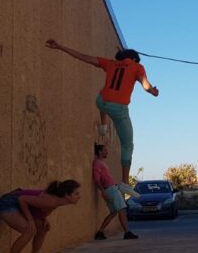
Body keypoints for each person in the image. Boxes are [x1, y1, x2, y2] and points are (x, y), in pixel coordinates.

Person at [45, 39, 159, 184]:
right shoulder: (138, 67)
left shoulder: (111, 64)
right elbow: (147, 87)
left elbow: (83, 57)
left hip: (101, 101)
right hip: (118, 108)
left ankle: (103, 126)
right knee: (127, 145)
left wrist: (60, 46)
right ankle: (125, 182)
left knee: (103, 100)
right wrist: (154, 92)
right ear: (135, 59)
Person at [0, 180, 81, 253]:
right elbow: (22, 199)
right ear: (67, 195)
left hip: (18, 206)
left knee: (43, 227)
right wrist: (30, 220)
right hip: (7, 204)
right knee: (28, 231)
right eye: (76, 194)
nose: (79, 196)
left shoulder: (56, 201)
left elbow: (36, 207)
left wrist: (43, 218)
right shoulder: (50, 201)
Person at [92, 144, 139, 240]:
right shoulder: (97, 163)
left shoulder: (101, 163)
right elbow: (96, 180)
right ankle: (127, 233)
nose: (107, 152)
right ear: (100, 152)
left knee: (113, 212)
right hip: (110, 190)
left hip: (111, 188)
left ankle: (100, 232)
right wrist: (103, 191)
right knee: (122, 210)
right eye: (105, 150)